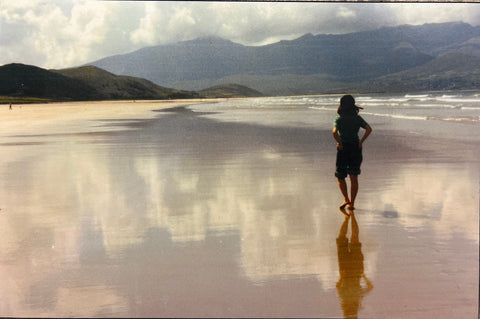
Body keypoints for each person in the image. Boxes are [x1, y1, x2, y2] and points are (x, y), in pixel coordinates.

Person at [333, 95, 372, 210]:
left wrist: (339, 143)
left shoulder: (339, 119)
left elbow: (334, 132)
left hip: (343, 148)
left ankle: (346, 199)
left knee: (340, 175)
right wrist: (361, 141)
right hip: (355, 147)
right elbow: (369, 129)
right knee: (353, 176)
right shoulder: (357, 118)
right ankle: (352, 204)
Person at [336, 208, 373, 318]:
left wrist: (363, 276)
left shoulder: (355, 297)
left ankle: (349, 218)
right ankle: (349, 218)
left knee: (352, 239)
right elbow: (338, 286)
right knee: (347, 239)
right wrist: (363, 276)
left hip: (353, 269)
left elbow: (370, 287)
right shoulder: (351, 298)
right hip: (346, 268)